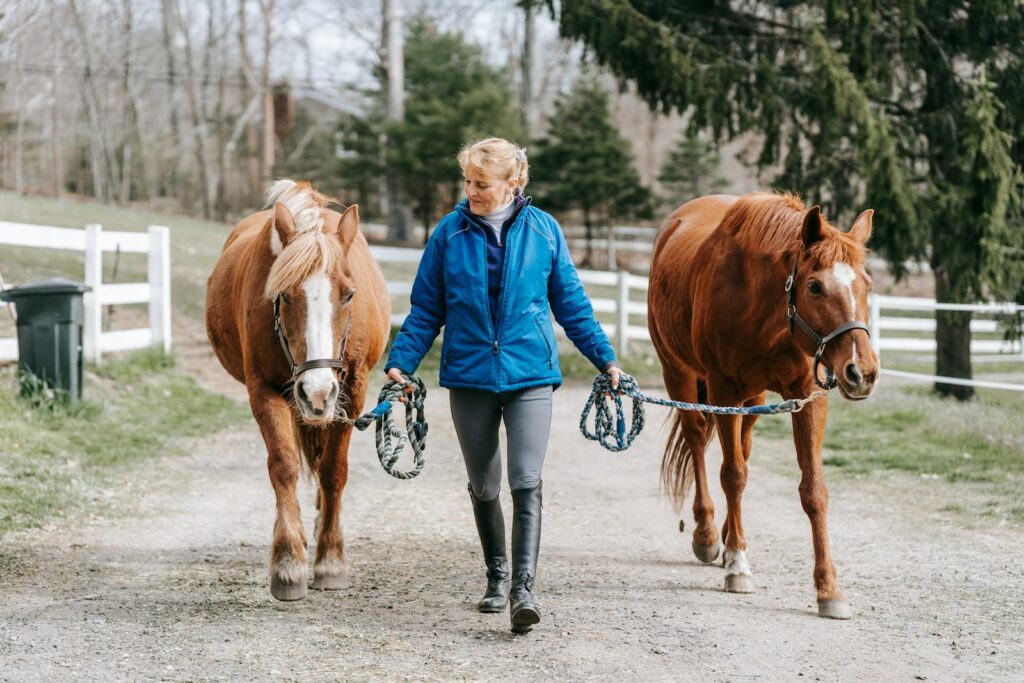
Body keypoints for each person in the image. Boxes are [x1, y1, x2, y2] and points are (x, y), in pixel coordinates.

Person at [385, 137, 621, 634]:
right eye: (467, 181)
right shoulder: (449, 234)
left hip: (529, 374)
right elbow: (428, 308)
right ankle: (496, 575)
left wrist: (606, 360)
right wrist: (401, 363)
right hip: (469, 375)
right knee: (485, 484)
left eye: (481, 183)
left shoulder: (544, 231)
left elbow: (572, 305)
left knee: (524, 478)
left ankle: (522, 589)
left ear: (512, 184)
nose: (470, 190)